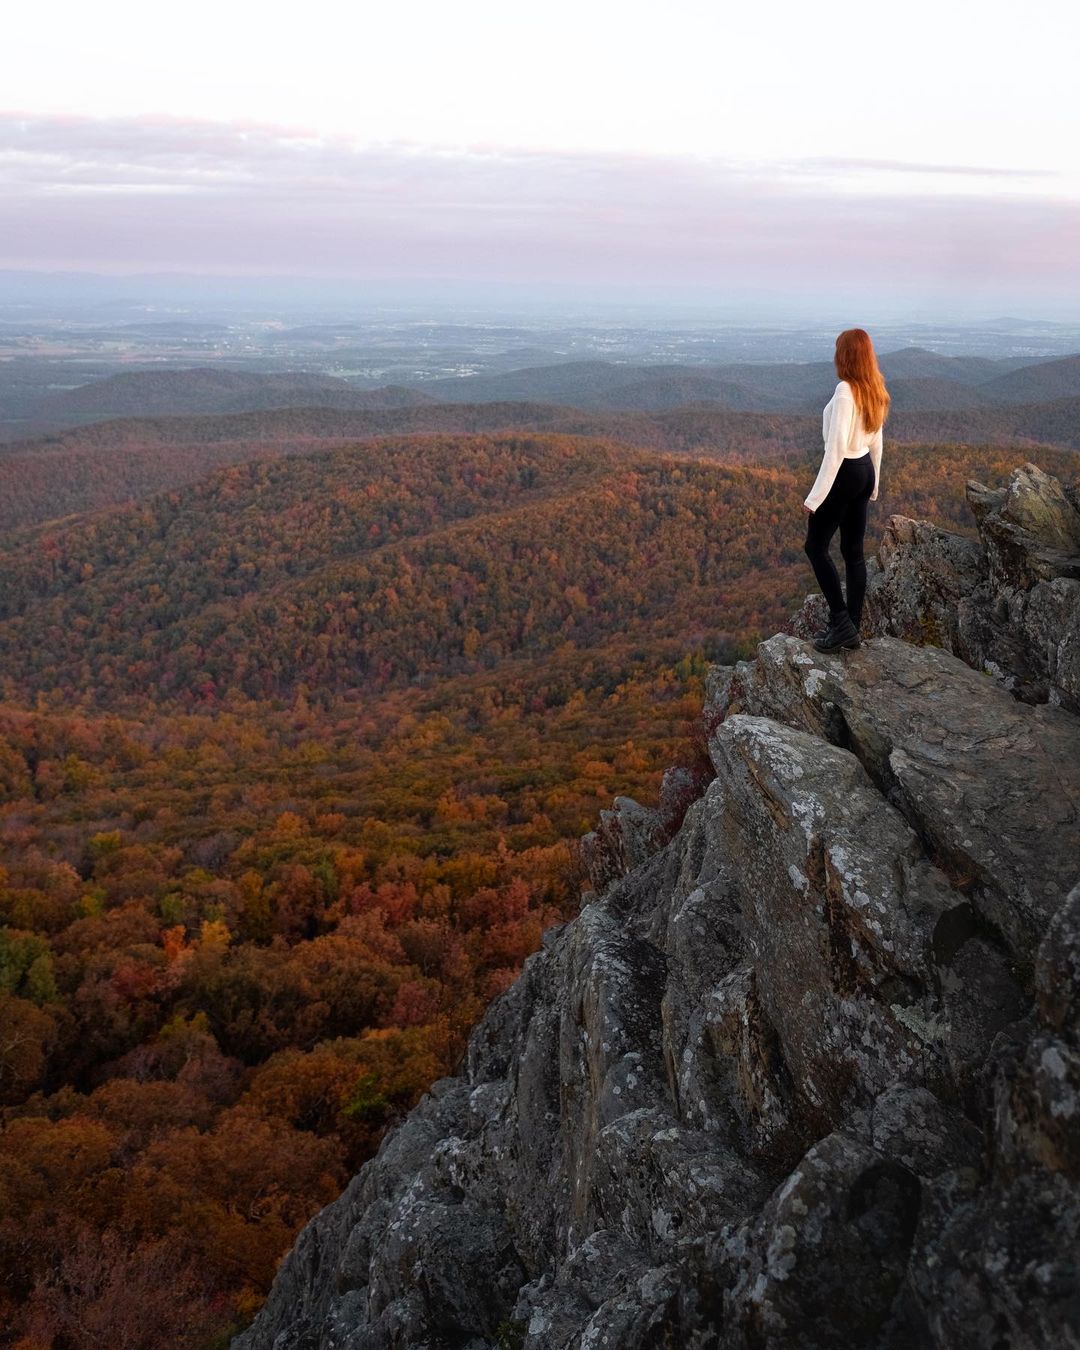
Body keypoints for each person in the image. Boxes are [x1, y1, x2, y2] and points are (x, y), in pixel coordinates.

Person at [802, 328, 890, 652]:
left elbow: (835, 449)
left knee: (815, 546)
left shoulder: (845, 391)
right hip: (864, 469)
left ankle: (840, 621)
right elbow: (877, 442)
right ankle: (852, 626)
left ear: (846, 356)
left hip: (846, 471)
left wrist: (815, 497)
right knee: (853, 553)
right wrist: (874, 483)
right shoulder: (873, 387)